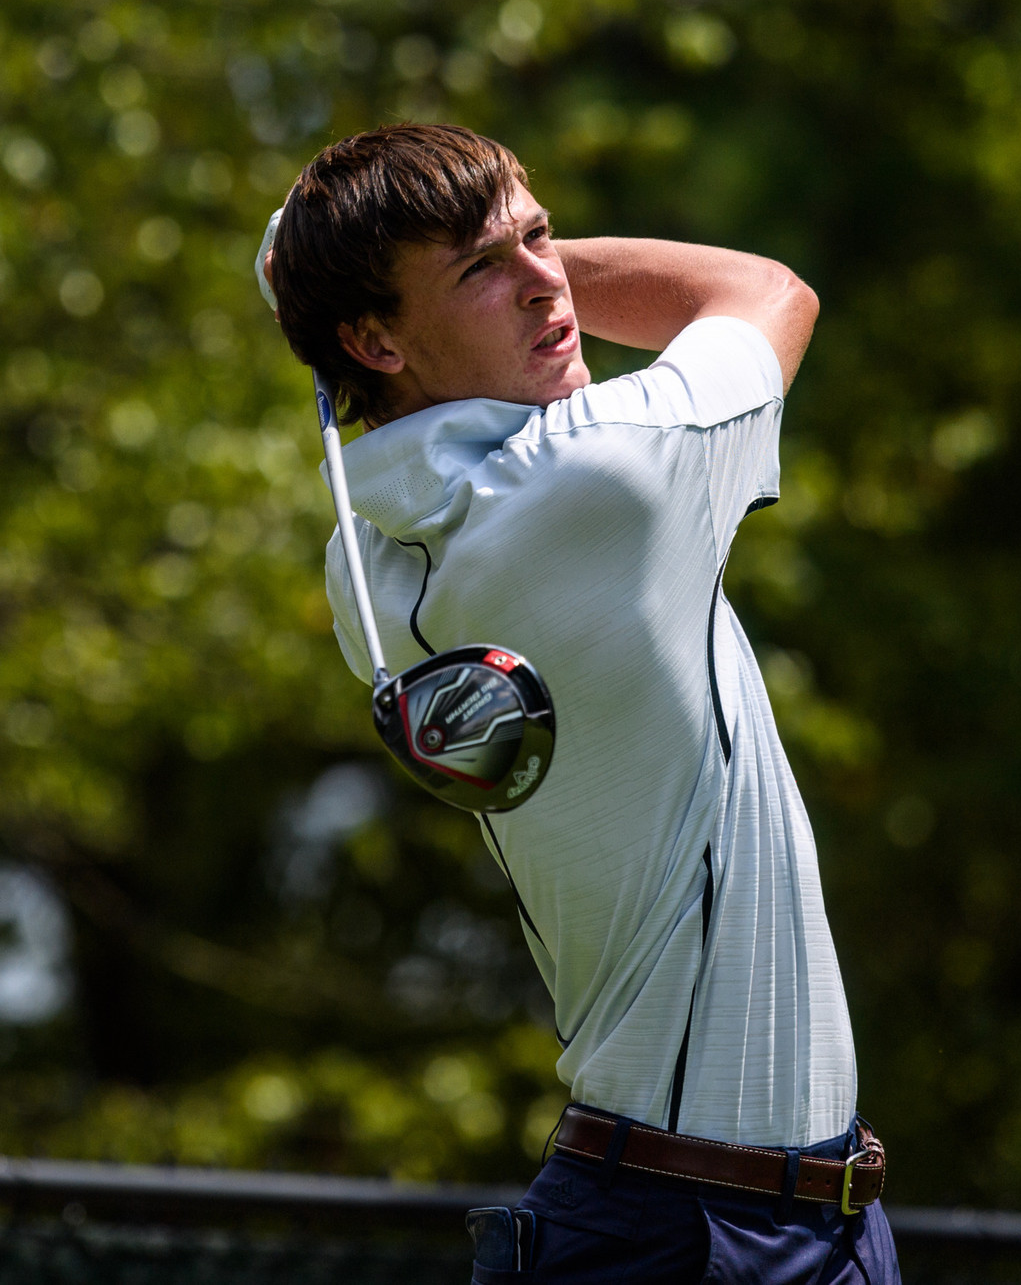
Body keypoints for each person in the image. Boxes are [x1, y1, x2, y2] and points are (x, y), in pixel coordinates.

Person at [257, 124, 895, 1285]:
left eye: (538, 234)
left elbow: (399, 400)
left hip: (721, 1211)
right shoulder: (602, 473)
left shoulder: (372, 568)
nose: (544, 282)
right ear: (373, 336)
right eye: (480, 270)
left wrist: (393, 279)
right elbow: (763, 291)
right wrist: (533, 257)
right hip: (702, 1232)